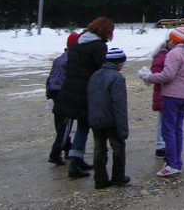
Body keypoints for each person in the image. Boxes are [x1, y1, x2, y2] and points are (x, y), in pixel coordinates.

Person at [55, 17, 113, 179]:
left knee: (78, 126)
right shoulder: (98, 46)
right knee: (83, 126)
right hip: (85, 92)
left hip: (69, 90)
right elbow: (102, 69)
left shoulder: (78, 42)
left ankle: (76, 158)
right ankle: (74, 162)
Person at [143, 27, 184, 177]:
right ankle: (175, 162)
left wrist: (149, 77)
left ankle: (172, 163)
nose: (168, 42)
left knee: (168, 130)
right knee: (177, 130)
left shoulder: (174, 53)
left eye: (170, 40)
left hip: (172, 96)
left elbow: (167, 75)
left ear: (174, 40)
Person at [87, 48, 130, 189]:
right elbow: (119, 105)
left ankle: (100, 179)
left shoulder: (95, 75)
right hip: (111, 120)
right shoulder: (117, 78)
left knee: (99, 148)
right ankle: (118, 177)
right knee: (118, 147)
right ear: (118, 63)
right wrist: (123, 129)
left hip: (95, 118)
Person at [45, 32, 79, 165]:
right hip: (65, 95)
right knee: (65, 126)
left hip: (54, 94)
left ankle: (67, 148)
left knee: (60, 124)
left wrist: (48, 95)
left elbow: (50, 78)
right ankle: (55, 153)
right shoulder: (74, 59)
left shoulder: (59, 59)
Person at [150, 40, 169, 159]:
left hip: (167, 92)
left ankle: (164, 145)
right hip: (163, 92)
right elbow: (155, 73)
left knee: (166, 120)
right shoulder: (162, 56)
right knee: (162, 121)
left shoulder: (169, 54)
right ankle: (160, 146)